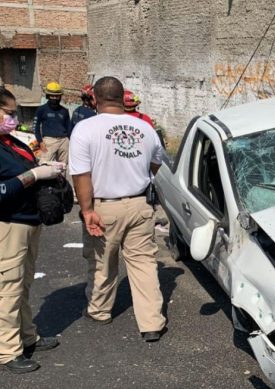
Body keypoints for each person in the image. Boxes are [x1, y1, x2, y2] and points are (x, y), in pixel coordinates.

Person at [69, 77, 166, 342]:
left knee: (102, 261)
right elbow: (157, 164)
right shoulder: (145, 128)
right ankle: (151, 323)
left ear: (95, 99)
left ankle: (100, 310)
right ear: (122, 97)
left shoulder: (85, 128)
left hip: (104, 206)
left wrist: (87, 210)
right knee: (144, 262)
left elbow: (81, 175)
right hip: (139, 204)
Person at [0, 87, 63, 373]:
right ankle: (7, 351)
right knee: (8, 290)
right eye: (8, 113)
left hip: (28, 221)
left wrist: (44, 166)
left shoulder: (11, 142)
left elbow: (27, 164)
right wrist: (33, 175)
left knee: (23, 285)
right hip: (9, 225)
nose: (13, 119)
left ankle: (27, 337)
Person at [33, 81, 72, 164]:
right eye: (52, 95)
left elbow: (69, 128)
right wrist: (40, 142)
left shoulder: (64, 111)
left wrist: (70, 141)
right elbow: (35, 127)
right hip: (48, 141)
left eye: (57, 96)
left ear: (60, 96)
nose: (54, 98)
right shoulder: (41, 109)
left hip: (64, 141)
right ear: (47, 96)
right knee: (45, 165)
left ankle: (61, 178)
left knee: (63, 167)